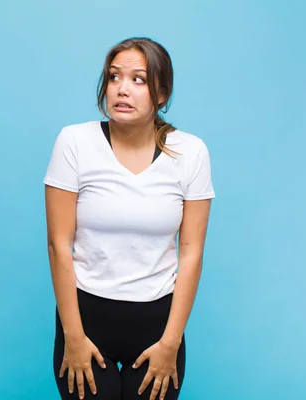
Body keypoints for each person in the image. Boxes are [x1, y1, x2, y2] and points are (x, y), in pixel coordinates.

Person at [43, 37, 215, 400]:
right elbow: (59, 245)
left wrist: (170, 343)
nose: (122, 89)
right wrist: (73, 337)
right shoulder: (74, 142)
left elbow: (192, 252)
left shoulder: (191, 151)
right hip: (85, 320)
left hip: (158, 325)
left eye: (138, 79)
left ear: (162, 93)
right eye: (114, 77)